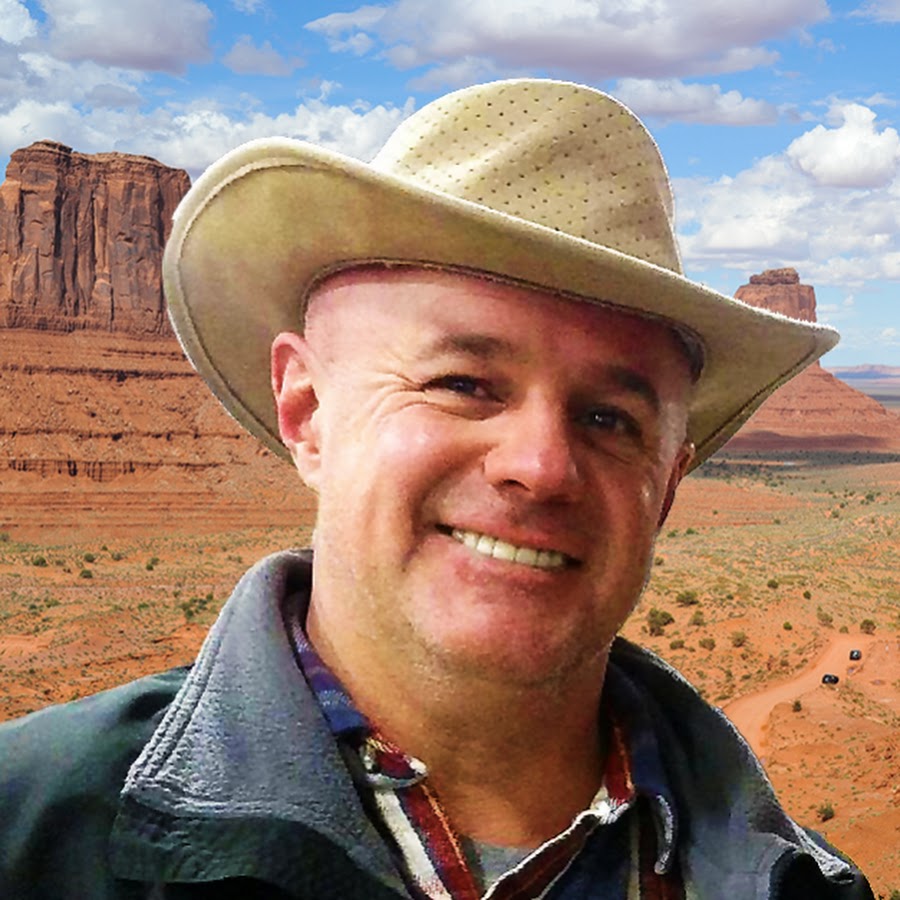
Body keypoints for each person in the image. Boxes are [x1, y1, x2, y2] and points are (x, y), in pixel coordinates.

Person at [0, 79, 873, 899]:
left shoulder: (800, 883)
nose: (541, 465)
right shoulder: (28, 831)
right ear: (307, 413)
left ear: (668, 487)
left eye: (610, 419)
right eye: (463, 383)